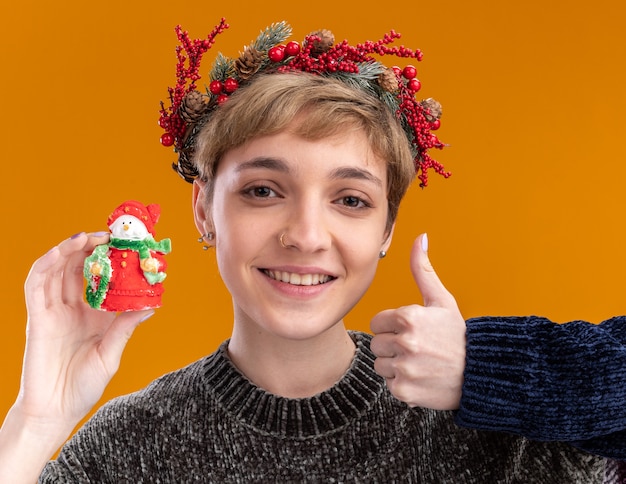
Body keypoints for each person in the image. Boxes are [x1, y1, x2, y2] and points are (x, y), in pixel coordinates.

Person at [0, 19, 621, 482]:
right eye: (264, 190)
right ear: (202, 208)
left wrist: (487, 373)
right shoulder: (126, 450)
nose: (305, 234)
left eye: (350, 200)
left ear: (385, 230)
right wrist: (35, 422)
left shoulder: (499, 431)